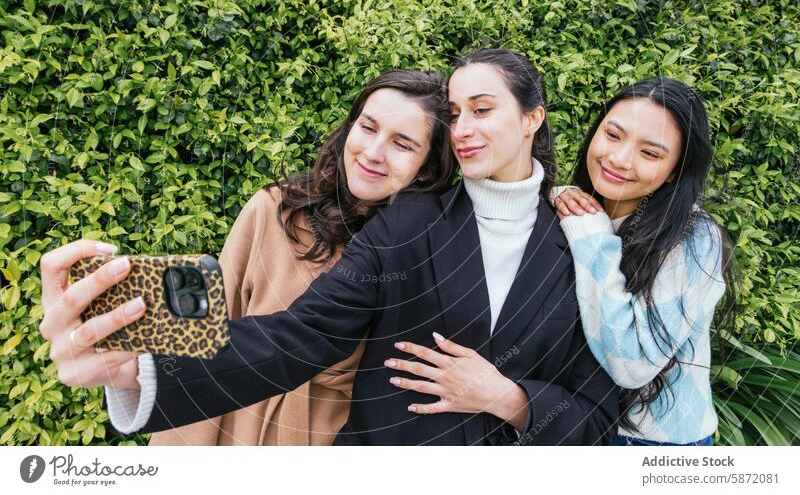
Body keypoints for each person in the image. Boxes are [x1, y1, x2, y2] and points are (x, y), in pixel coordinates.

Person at [39, 48, 618, 445]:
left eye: (483, 110)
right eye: (455, 113)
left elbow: (596, 408)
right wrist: (139, 362)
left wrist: (510, 398)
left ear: (532, 119)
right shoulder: (404, 222)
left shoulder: (583, 238)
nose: (463, 126)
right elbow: (295, 334)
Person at [146, 69, 457, 445]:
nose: (373, 153)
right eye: (368, 128)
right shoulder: (274, 210)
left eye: (402, 145)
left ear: (426, 169)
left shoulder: (429, 254)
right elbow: (203, 340)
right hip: (238, 427)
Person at [550, 77, 738, 446]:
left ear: (675, 171)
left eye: (650, 153)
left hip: (657, 446)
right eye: (613, 135)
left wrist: (591, 236)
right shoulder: (574, 210)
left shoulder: (695, 239)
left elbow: (633, 364)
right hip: (578, 425)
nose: (618, 159)